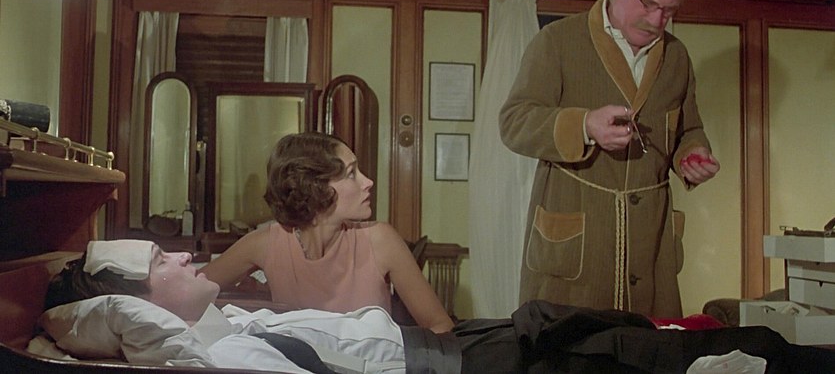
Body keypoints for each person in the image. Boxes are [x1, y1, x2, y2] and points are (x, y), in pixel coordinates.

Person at [42, 240, 835, 373]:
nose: (184, 256)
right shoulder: (223, 355)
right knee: (642, 352)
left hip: (449, 350)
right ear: (138, 302)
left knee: (605, 326)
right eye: (163, 263)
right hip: (445, 363)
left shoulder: (233, 322)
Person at [498, 0, 721, 318]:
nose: (657, 20)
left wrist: (691, 155)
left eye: (669, 10)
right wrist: (584, 125)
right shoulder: (558, 42)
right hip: (575, 252)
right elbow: (514, 122)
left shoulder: (677, 57)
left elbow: (688, 128)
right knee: (570, 346)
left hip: (650, 248)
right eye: (647, 3)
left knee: (648, 344)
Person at [198, 132, 454, 333]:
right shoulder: (266, 243)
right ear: (315, 187)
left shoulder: (380, 240)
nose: (368, 182)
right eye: (351, 174)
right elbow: (189, 293)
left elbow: (441, 326)